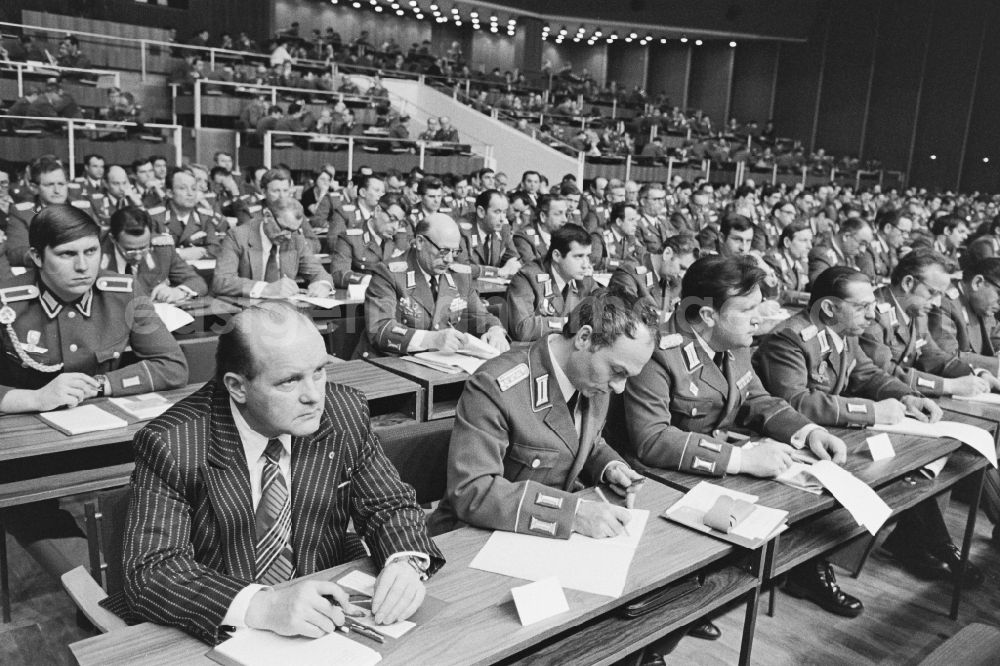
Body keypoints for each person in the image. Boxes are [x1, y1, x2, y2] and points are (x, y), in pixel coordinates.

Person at [120, 301, 443, 643]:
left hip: (325, 617)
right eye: (289, 381)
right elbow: (151, 570)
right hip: (225, 626)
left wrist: (405, 562)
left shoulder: (343, 411)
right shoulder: (173, 443)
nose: (314, 396)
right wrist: (264, 604)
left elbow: (388, 503)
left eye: (319, 371)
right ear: (237, 387)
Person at [608, 256, 858, 624]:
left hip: (712, 470)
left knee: (803, 506)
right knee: (732, 571)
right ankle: (666, 626)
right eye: (748, 309)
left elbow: (757, 398)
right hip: (659, 479)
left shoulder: (734, 339)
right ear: (709, 316)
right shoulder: (659, 352)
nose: (759, 318)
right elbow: (652, 440)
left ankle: (794, 572)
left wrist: (809, 431)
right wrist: (743, 460)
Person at [754, 266, 984, 588]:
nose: (873, 313)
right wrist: (872, 411)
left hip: (825, 435)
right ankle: (807, 568)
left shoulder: (843, 334)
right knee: (879, 469)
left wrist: (906, 396)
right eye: (862, 307)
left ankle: (920, 542)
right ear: (830, 308)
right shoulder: (790, 338)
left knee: (905, 468)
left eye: (871, 304)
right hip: (787, 440)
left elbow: (868, 374)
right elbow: (797, 402)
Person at [0, 205, 187, 583]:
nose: (84, 266)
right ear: (37, 257)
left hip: (103, 435)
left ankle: (144, 572)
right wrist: (34, 398)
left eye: (91, 252)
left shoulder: (121, 292)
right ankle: (92, 590)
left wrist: (101, 385)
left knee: (161, 483)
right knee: (28, 508)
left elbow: (172, 364)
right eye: (67, 254)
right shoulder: (8, 302)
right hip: (28, 449)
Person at [428, 287, 655, 539]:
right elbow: (472, 490)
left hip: (543, 537)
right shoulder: (496, 386)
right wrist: (573, 512)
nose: (619, 387)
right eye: (617, 371)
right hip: (475, 537)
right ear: (584, 338)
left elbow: (580, 441)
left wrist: (609, 466)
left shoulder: (596, 380)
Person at [360, 213, 507, 357]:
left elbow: (482, 316)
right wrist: (431, 340)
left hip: (437, 366)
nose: (449, 259)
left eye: (454, 251)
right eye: (443, 251)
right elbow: (379, 329)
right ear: (419, 242)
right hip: (389, 363)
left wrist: (495, 330)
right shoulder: (389, 274)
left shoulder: (459, 276)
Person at [860, 249, 999, 397]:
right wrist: (948, 386)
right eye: (932, 293)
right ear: (908, 283)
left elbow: (933, 356)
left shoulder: (917, 313)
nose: (937, 303)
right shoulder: (873, 315)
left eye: (940, 295)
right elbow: (886, 372)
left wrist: (977, 374)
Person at [213, 199, 332, 299]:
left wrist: (323, 285)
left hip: (285, 311)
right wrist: (266, 288)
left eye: (293, 230)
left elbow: (320, 273)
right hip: (247, 311)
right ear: (267, 215)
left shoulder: (295, 238)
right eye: (284, 228)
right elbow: (222, 281)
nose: (288, 236)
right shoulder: (237, 236)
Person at [101, 206, 207, 301]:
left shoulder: (162, 249)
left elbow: (197, 282)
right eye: (130, 250)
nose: (138, 256)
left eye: (143, 248)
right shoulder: (95, 253)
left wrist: (178, 292)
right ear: (113, 239)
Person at [6, 156, 96, 266]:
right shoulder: (23, 213)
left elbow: (96, 245)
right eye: (50, 185)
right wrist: (50, 256)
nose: (57, 190)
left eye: (61, 184)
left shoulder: (83, 209)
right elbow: (16, 252)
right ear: (35, 187)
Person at [329, 193, 411, 288]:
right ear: (377, 211)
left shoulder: (399, 239)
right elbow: (338, 274)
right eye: (392, 219)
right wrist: (368, 280)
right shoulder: (351, 239)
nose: (395, 227)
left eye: (401, 223)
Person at [608, 233, 698, 317]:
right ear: (667, 253)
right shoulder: (629, 274)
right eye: (681, 267)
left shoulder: (670, 279)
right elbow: (626, 320)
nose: (681, 275)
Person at [148, 168, 228, 261]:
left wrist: (202, 251)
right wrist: (180, 253)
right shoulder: (154, 217)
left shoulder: (204, 217)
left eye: (194, 189)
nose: (190, 193)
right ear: (170, 193)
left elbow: (215, 249)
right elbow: (149, 250)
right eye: (183, 188)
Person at [457, 189, 521, 279]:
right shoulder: (462, 230)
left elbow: (515, 258)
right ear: (481, 212)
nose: (502, 218)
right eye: (497, 212)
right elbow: (461, 267)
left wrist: (512, 263)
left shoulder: (503, 228)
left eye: (504, 212)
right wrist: (497, 272)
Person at [807, 217, 873, 286]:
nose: (863, 250)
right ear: (846, 236)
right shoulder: (822, 254)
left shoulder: (849, 256)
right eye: (862, 243)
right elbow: (819, 286)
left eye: (866, 246)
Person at [764, 221, 813, 306]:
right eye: (804, 240)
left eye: (810, 241)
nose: (810, 246)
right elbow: (776, 294)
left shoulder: (802, 263)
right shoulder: (772, 260)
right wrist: (808, 297)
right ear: (787, 242)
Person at [589, 202, 646, 272]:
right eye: (631, 220)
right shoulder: (598, 236)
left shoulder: (630, 237)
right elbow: (595, 262)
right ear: (619, 221)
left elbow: (642, 258)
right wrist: (624, 264)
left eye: (635, 220)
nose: (636, 224)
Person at [513, 194, 568, 264]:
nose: (565, 220)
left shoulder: (567, 235)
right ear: (543, 216)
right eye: (558, 214)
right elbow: (533, 270)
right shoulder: (524, 238)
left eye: (565, 214)